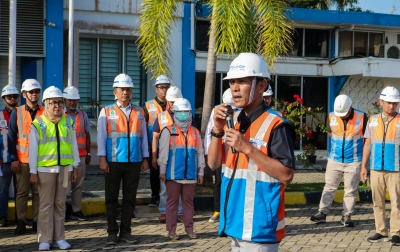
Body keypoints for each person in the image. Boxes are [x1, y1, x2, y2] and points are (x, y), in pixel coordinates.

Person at [207, 52, 295, 252]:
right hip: (235, 222)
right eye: (232, 82)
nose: (235, 88)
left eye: (242, 82)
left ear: (262, 86)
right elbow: (213, 164)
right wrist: (217, 129)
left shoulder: (277, 124)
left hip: (260, 228)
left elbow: (286, 175)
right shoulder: (237, 121)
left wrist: (247, 147)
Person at [97, 73, 149, 245]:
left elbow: (144, 137)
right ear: (115, 92)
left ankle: (126, 231)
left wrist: (145, 158)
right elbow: (101, 137)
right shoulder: (106, 111)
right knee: (111, 199)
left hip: (134, 161)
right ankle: (112, 232)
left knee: (130, 199)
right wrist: (102, 159)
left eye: (128, 89)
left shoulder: (140, 111)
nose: (125, 92)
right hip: (113, 161)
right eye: (122, 89)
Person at [29, 86, 79, 251]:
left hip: (65, 170)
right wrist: (33, 172)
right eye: (53, 103)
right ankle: (44, 239)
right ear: (45, 104)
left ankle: (60, 238)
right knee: (46, 205)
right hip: (45, 171)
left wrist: (75, 166)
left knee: (60, 204)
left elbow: (73, 146)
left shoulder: (68, 121)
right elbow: (33, 150)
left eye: (59, 102)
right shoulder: (38, 123)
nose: (57, 106)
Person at [310, 94, 367, 227]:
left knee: (350, 190)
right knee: (329, 187)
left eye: (344, 114)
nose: (341, 116)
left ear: (350, 107)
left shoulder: (362, 117)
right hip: (334, 159)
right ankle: (322, 213)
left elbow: (366, 139)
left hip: (353, 160)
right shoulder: (331, 116)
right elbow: (331, 133)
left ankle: (347, 215)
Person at [158, 98, 204, 240]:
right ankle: (171, 231)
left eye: (186, 111)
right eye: (180, 112)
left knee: (188, 203)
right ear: (175, 113)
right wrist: (162, 171)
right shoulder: (168, 130)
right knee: (171, 203)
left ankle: (189, 230)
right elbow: (163, 152)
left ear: (190, 113)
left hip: (190, 175)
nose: (184, 114)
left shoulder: (195, 132)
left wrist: (201, 171)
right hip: (173, 174)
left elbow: (200, 153)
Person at [360, 86, 400, 245]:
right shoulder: (372, 120)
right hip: (376, 168)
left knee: (397, 202)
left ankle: (396, 232)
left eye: (395, 103)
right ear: (381, 102)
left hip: (396, 169)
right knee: (377, 201)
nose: (392, 106)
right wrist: (363, 166)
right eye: (389, 102)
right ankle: (381, 231)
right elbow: (368, 143)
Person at [9, 79, 44, 235]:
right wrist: (13, 158)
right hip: (22, 161)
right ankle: (21, 221)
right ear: (24, 94)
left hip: (42, 161)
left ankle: (37, 221)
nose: (35, 94)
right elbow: (11, 137)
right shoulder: (17, 112)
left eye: (37, 91)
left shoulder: (45, 111)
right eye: (31, 92)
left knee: (38, 193)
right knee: (22, 193)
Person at [204, 88, 240, 223]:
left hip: (235, 154)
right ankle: (218, 210)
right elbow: (209, 132)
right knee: (219, 182)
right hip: (219, 153)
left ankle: (231, 211)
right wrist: (209, 152)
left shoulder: (242, 112)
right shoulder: (216, 111)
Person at [151, 86, 185, 223]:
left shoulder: (187, 115)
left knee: (182, 185)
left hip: (182, 156)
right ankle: (164, 212)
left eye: (174, 101)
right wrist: (154, 156)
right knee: (165, 186)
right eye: (170, 101)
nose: (172, 104)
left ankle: (181, 212)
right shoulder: (161, 117)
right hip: (165, 157)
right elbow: (155, 137)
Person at [63, 86, 91, 221]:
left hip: (80, 156)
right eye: (69, 100)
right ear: (64, 100)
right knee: (63, 185)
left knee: (77, 185)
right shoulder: (59, 115)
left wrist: (89, 153)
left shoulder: (83, 115)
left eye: (75, 100)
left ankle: (76, 210)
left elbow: (87, 134)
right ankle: (61, 211)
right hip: (64, 157)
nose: (72, 102)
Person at [144, 75, 171, 208]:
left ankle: (168, 196)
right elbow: (143, 128)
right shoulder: (148, 106)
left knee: (167, 171)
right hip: (153, 146)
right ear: (156, 89)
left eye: (166, 87)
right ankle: (155, 196)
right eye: (161, 87)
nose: (164, 91)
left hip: (170, 146)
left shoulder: (173, 104)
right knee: (154, 171)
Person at [0, 84, 20, 227]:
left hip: (21, 159)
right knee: (3, 190)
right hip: (4, 160)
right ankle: (2, 216)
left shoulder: (23, 114)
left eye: (15, 96)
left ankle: (21, 217)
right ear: (4, 99)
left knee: (21, 190)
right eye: (9, 97)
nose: (12, 99)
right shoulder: (0, 115)